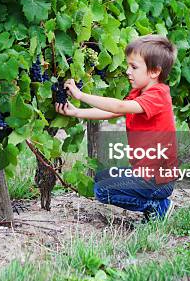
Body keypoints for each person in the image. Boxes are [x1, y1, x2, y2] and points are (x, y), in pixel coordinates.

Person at [55, 34, 178, 222]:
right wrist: (76, 112)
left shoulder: (158, 96)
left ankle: (157, 207)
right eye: (128, 65)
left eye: (134, 67)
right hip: (146, 175)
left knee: (102, 190)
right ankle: (155, 205)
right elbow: (113, 113)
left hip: (158, 180)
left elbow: (118, 107)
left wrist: (80, 95)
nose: (128, 71)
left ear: (154, 71)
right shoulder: (140, 93)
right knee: (101, 178)